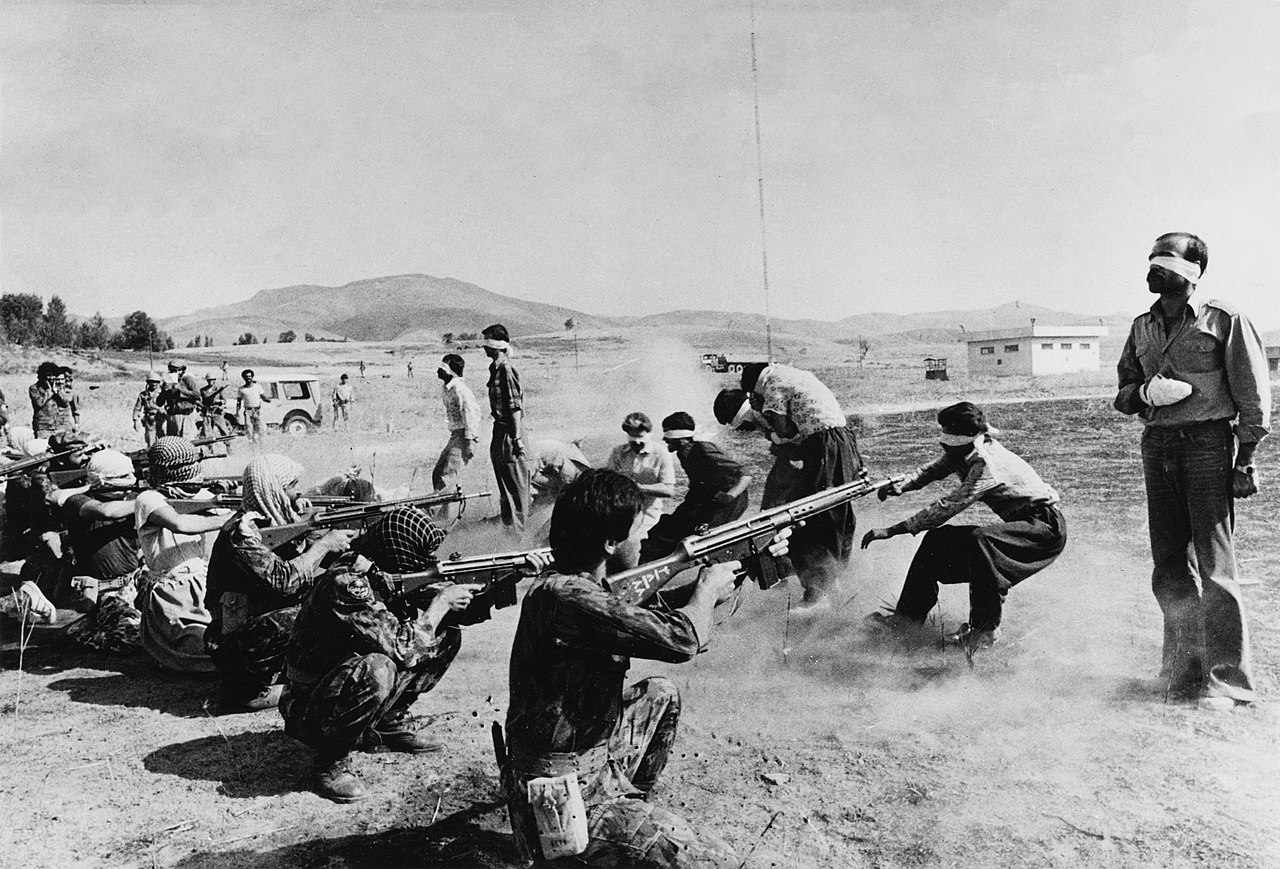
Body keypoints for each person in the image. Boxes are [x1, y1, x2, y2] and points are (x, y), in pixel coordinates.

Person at [502, 469, 790, 867]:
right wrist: (706, 589)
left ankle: (625, 833)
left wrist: (740, 568)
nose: (643, 540)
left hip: (588, 762)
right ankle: (589, 851)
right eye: (638, 531)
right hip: (560, 798)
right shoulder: (571, 599)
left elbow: (655, 617)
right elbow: (681, 640)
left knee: (659, 694)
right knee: (710, 859)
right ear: (609, 543)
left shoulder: (573, 585)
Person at [1114, 232, 1270, 709]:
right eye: (1151, 259)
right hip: (1157, 446)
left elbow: (1253, 396)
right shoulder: (1142, 326)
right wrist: (1144, 395)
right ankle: (1181, 673)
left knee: (1215, 567)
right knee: (1168, 566)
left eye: (1163, 259)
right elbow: (1123, 392)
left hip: (1206, 446)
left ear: (1191, 270)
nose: (1152, 267)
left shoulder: (1223, 320)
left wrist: (1245, 458)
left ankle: (1226, 682)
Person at [281, 507, 487, 803]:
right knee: (379, 668)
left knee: (446, 634)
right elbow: (404, 647)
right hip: (307, 704)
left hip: (337, 685)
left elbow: (430, 622)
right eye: (416, 556)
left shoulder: (378, 570)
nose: (424, 563)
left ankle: (388, 724)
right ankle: (330, 761)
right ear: (396, 551)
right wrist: (441, 602)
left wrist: (485, 591)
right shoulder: (348, 581)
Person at [861, 402, 1067, 648]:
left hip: (1044, 530)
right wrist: (902, 485)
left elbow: (949, 506)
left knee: (982, 541)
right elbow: (933, 470)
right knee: (936, 541)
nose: (943, 445)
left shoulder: (986, 464)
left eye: (947, 438)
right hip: (1027, 525)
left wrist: (893, 530)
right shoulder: (965, 450)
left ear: (962, 440)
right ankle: (906, 620)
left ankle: (984, 631)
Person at [205, 455, 357, 712]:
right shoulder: (242, 534)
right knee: (320, 610)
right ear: (273, 490)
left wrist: (312, 527)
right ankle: (248, 691)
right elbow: (284, 581)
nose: (299, 491)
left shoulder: (271, 523)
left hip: (258, 631)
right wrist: (324, 545)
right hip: (241, 645)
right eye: (292, 485)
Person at [715, 362, 861, 613]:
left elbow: (786, 435)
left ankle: (820, 591)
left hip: (822, 448)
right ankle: (825, 584)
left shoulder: (770, 393)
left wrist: (773, 433)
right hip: (829, 446)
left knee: (811, 519)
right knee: (822, 517)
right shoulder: (788, 380)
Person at [134, 437, 229, 672]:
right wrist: (230, 517)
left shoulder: (196, 495)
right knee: (209, 654)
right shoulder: (148, 499)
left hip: (204, 586)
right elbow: (180, 524)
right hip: (173, 595)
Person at [59, 449, 145, 654]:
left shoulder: (131, 500)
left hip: (134, 582)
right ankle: (82, 632)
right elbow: (107, 511)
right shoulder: (77, 501)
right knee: (134, 638)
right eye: (124, 476)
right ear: (102, 480)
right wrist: (149, 502)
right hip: (103, 592)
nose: (131, 480)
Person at [638, 413, 752, 564]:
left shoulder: (702, 449)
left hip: (728, 503)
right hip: (706, 499)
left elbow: (745, 474)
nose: (664, 439)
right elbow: (698, 485)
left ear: (681, 437)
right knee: (664, 529)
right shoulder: (683, 454)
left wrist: (730, 496)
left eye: (667, 433)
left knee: (702, 538)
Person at [605, 412, 676, 570]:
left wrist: (639, 488)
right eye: (632, 439)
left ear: (649, 434)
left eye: (641, 438)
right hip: (623, 512)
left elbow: (669, 489)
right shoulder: (618, 452)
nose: (637, 442)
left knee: (638, 550)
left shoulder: (661, 454)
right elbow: (609, 482)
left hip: (649, 515)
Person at [483, 324, 530, 535]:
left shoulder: (506, 370)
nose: (484, 346)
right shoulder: (494, 369)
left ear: (498, 345)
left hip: (510, 433)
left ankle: (518, 537)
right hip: (500, 430)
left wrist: (517, 439)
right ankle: (509, 534)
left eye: (487, 341)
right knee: (504, 488)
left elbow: (514, 407)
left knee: (516, 489)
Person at [430, 355, 482, 520]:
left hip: (464, 435)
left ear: (451, 372)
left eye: (442, 369)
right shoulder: (447, 388)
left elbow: (471, 413)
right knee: (438, 473)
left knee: (447, 477)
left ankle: (432, 514)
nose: (438, 371)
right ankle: (442, 516)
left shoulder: (460, 389)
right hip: (455, 435)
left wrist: (470, 441)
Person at [30, 361, 73, 438]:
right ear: (42, 376)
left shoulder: (58, 387)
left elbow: (66, 402)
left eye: (53, 375)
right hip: (43, 427)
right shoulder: (34, 388)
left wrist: (58, 392)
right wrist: (50, 391)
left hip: (60, 427)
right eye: (48, 375)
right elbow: (39, 403)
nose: (51, 378)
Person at [160, 360, 201, 437]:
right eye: (171, 371)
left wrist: (180, 389)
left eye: (175, 371)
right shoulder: (167, 381)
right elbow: (159, 403)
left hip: (186, 416)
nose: (173, 373)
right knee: (173, 441)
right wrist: (163, 391)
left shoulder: (188, 380)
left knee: (187, 440)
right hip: (172, 416)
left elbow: (197, 395)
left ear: (182, 371)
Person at [236, 369, 271, 444]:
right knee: (249, 429)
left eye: (250, 376)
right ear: (243, 378)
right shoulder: (241, 389)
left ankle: (261, 445)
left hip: (257, 410)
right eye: (246, 376)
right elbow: (239, 401)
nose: (248, 378)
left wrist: (267, 400)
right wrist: (237, 412)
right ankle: (252, 445)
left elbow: (263, 397)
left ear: (252, 377)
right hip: (248, 411)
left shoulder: (257, 387)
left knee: (261, 428)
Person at [132, 372, 164, 446]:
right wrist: (135, 421)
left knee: (163, 441)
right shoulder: (143, 395)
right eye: (152, 382)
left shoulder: (162, 394)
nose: (154, 384)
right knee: (150, 441)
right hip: (149, 419)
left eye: (156, 382)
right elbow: (137, 408)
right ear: (148, 382)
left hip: (161, 419)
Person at [199, 373, 230, 438]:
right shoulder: (203, 390)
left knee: (224, 430)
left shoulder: (218, 390)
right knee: (207, 431)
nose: (210, 381)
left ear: (214, 380)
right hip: (207, 412)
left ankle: (228, 443)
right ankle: (208, 444)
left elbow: (224, 401)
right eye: (209, 380)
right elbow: (200, 401)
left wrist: (216, 401)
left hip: (217, 411)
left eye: (212, 380)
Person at [57, 367, 82, 432]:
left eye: (69, 377)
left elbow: (75, 410)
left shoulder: (72, 393)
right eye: (66, 377)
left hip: (66, 425)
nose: (68, 379)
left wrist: (76, 425)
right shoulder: (52, 391)